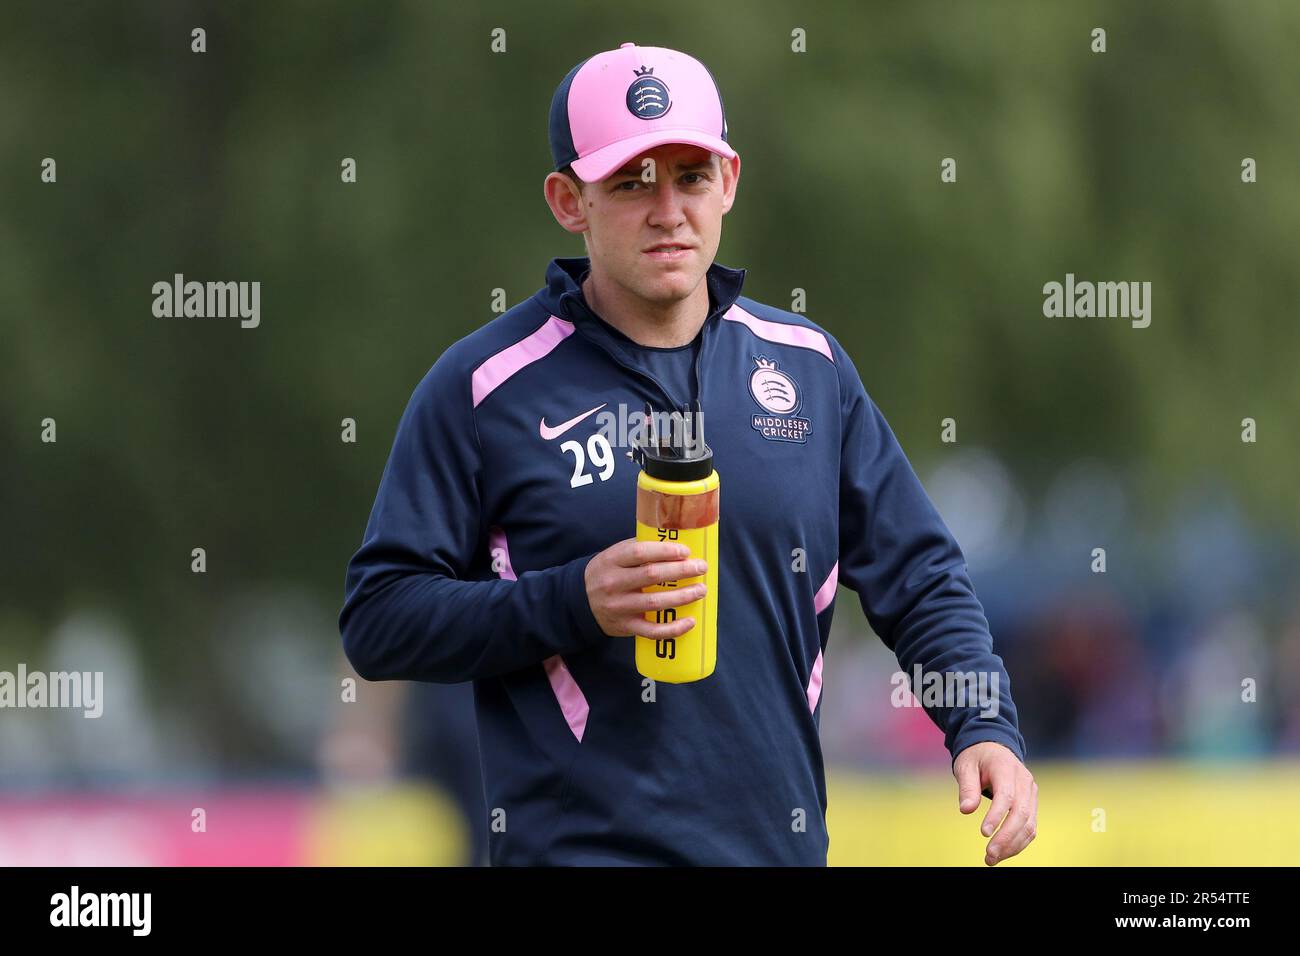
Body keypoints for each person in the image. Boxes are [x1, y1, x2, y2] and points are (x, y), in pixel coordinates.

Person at [339, 42, 1036, 866]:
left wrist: (982, 722)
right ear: (570, 200)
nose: (667, 209)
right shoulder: (485, 387)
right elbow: (379, 621)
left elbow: (920, 575)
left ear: (729, 182)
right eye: (632, 181)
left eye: (691, 176)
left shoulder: (809, 369)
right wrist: (571, 601)